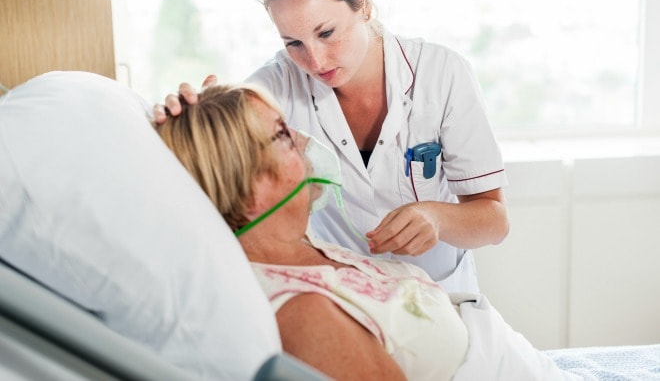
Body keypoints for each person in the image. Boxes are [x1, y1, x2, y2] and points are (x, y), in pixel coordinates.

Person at [153, 83, 580, 381]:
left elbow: (493, 216)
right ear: (247, 186)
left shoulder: (298, 245)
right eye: (283, 134)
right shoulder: (305, 315)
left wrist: (204, 114)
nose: (304, 139)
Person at [155, 0, 509, 293]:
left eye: (326, 33)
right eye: (294, 43)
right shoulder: (276, 86)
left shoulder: (442, 73)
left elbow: (495, 221)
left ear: (363, 5)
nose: (315, 61)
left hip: (443, 293)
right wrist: (181, 117)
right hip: (346, 297)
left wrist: (437, 218)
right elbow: (212, 138)